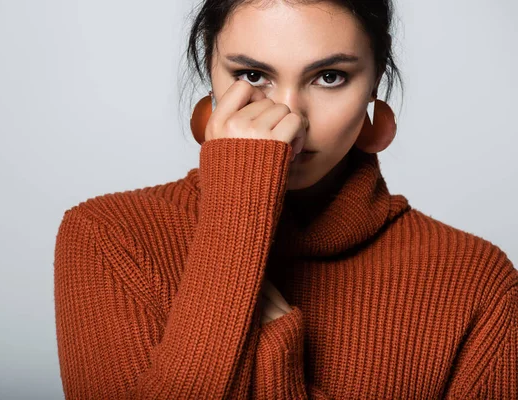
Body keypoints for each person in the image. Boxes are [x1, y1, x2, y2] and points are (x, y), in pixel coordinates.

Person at [53, 0, 518, 398]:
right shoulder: (109, 236)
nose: (290, 117)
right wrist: (237, 210)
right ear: (210, 78)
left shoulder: (478, 280)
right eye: (252, 75)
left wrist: (278, 367)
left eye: (330, 77)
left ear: (375, 84)